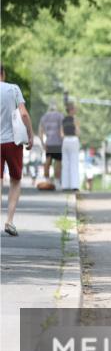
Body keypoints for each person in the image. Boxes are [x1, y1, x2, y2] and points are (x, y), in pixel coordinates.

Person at [1, 63, 35, 236]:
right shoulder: (13, 89)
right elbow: (23, 114)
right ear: (3, 74)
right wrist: (30, 134)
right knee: (15, 180)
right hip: (12, 142)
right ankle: (9, 221)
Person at [38, 101, 63, 184]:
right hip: (58, 142)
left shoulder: (44, 117)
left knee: (47, 161)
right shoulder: (60, 116)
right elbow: (61, 131)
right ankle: (56, 181)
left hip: (48, 143)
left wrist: (42, 143)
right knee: (58, 163)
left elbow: (41, 131)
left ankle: (47, 180)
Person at [60, 103, 81, 191]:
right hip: (73, 140)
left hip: (65, 141)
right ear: (71, 110)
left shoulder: (63, 120)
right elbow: (77, 132)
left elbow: (61, 133)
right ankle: (74, 186)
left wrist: (65, 138)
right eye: (74, 109)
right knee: (74, 163)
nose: (76, 110)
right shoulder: (75, 119)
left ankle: (65, 186)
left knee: (65, 163)